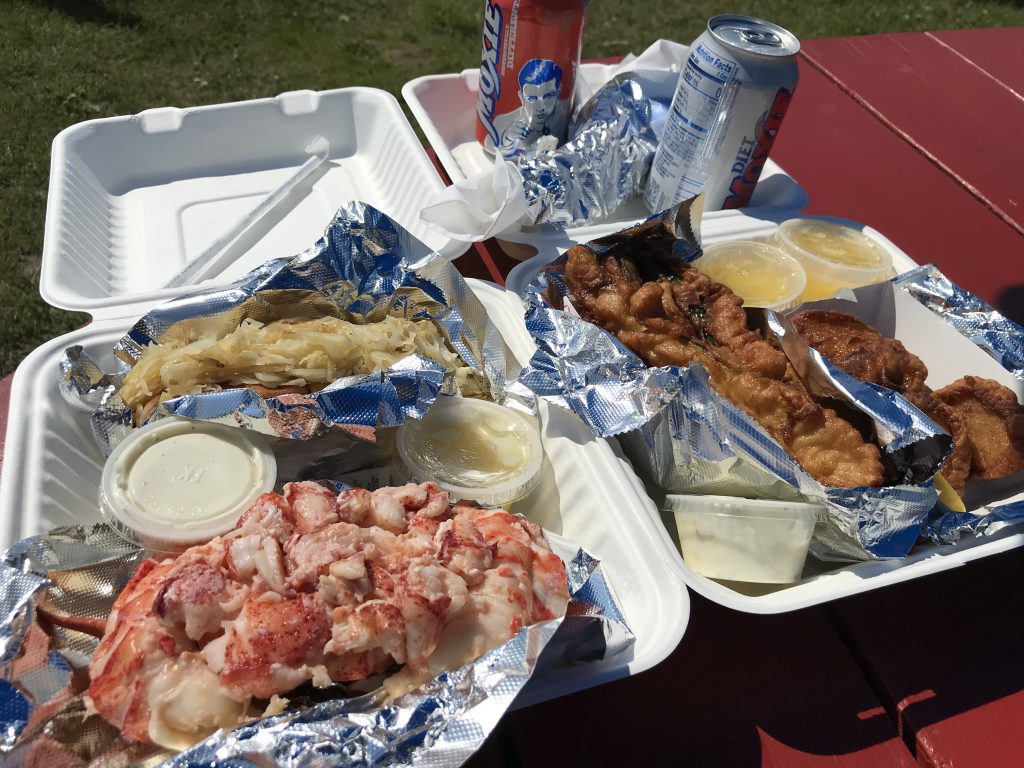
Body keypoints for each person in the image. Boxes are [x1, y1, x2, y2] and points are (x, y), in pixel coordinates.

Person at [499, 58, 564, 156]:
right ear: (521, 97)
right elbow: (495, 145)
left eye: (548, 96)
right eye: (532, 98)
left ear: (558, 91)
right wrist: (508, 137)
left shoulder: (567, 117)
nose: (540, 107)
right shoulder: (503, 121)